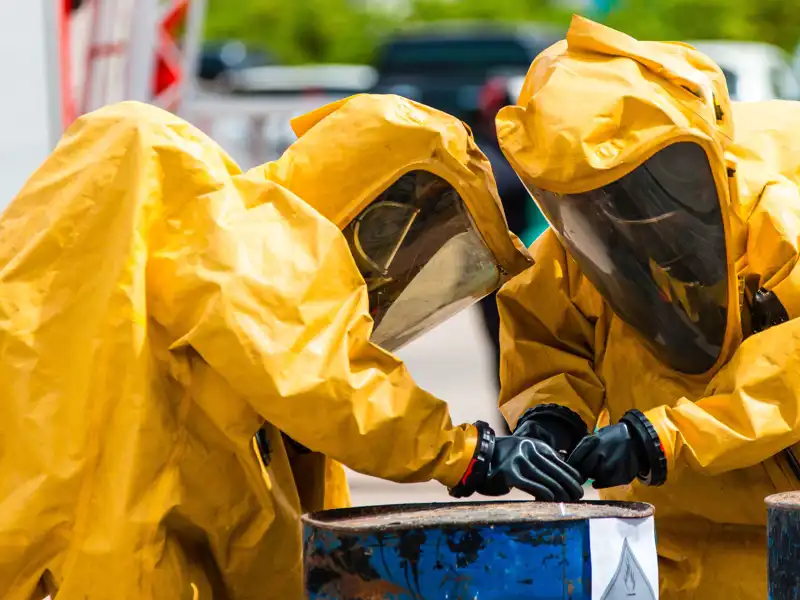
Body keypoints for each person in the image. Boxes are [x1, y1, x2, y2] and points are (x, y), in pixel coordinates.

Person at [0, 94, 587, 599]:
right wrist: (464, 453)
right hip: (106, 539)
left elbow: (273, 515)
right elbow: (322, 379)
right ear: (376, 202)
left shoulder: (221, 262)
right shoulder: (241, 237)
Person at [496, 15, 800, 600]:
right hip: (657, 537)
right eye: (591, 196)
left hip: (779, 532)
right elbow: (547, 339)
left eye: (633, 185)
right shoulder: (575, 247)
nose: (618, 209)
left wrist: (658, 438)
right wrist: (551, 416)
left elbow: (784, 378)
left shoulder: (772, 222)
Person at [471, 77, 549, 406]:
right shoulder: (487, 156)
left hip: (533, 270)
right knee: (508, 357)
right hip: (500, 276)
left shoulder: (534, 152)